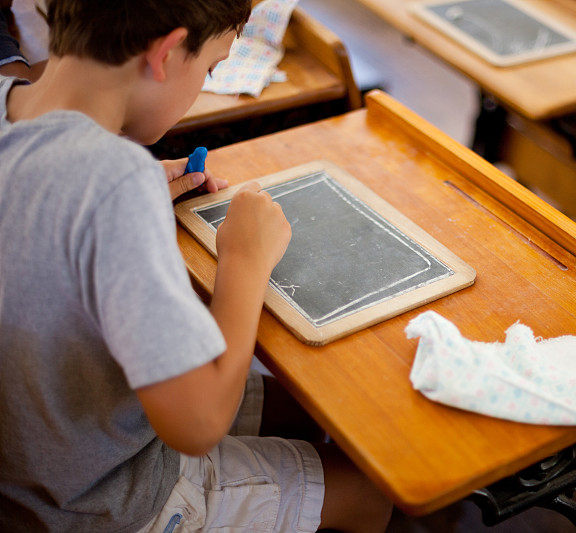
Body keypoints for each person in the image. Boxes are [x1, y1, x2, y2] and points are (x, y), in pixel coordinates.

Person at [0, 0, 392, 531]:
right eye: (209, 67)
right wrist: (245, 261)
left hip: (31, 456)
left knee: (315, 413)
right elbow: (198, 422)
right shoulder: (117, 180)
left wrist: (115, 203)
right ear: (164, 53)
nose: (205, 81)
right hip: (102, 504)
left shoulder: (7, 101)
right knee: (371, 487)